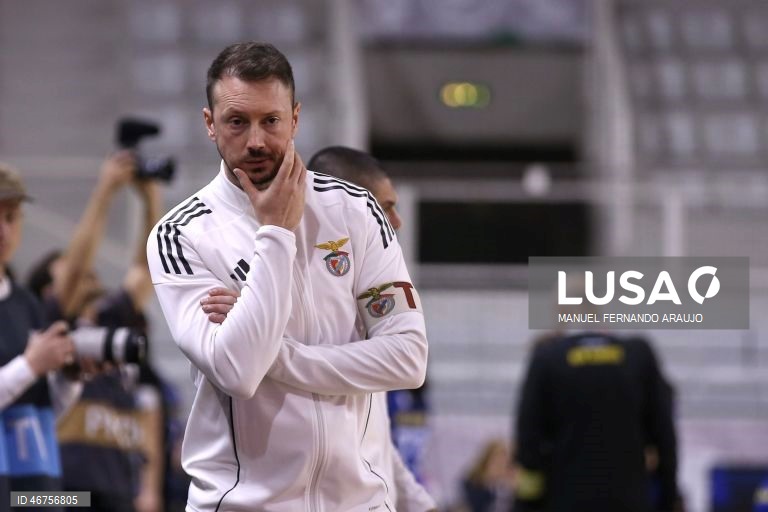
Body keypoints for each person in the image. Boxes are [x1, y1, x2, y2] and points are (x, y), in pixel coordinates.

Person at [146, 41, 428, 511]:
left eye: (270, 121)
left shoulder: (355, 210)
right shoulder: (181, 234)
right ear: (210, 124)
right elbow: (237, 371)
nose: (256, 140)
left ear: (295, 118)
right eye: (237, 122)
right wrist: (276, 232)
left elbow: (407, 359)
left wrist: (277, 355)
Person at [204, 146, 436, 511]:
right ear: (347, 203)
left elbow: (403, 374)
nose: (395, 220)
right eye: (383, 206)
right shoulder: (262, 278)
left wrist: (274, 352)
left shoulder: (365, 289)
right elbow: (238, 371)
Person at [25, 152, 165, 512]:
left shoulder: (110, 323)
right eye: (73, 269)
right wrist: (105, 191)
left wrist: (150, 197)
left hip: (116, 491)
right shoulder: (47, 324)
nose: (88, 272)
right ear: (46, 292)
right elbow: (74, 271)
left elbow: (147, 269)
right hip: (58, 494)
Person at [513, 330, 678, 512]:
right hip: (628, 498)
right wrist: (668, 497)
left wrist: (527, 503)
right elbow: (665, 437)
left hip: (565, 497)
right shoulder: (638, 355)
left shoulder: (546, 358)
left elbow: (528, 444)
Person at [0, 163, 80, 509]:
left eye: (12, 217)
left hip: (36, 489)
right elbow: (26, 373)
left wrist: (70, 379)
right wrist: (31, 365)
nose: (3, 231)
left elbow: (40, 412)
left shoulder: (27, 304)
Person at [461, 440, 515, 512]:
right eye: (497, 462)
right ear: (486, 461)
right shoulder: (471, 485)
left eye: (504, 463)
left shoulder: (508, 488)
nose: (500, 467)